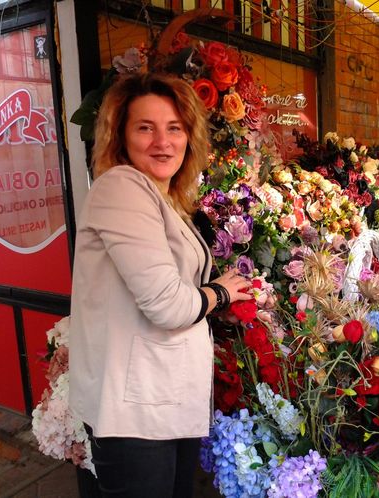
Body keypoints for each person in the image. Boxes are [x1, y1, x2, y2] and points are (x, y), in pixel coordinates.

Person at [68, 73, 252, 498]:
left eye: (174, 128)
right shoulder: (121, 187)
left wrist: (210, 297)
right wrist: (220, 293)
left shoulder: (163, 197)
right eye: (145, 127)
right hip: (135, 415)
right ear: (121, 136)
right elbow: (168, 305)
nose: (162, 141)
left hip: (162, 400)